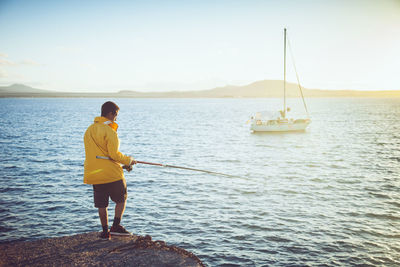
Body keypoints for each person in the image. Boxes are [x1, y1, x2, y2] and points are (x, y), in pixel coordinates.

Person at [83, 101, 136, 240]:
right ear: (110, 113)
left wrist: (121, 162)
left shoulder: (89, 130)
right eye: (116, 115)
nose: (116, 118)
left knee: (102, 204)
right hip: (111, 174)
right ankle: (116, 227)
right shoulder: (110, 131)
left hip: (94, 173)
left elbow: (100, 154)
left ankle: (105, 232)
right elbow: (113, 154)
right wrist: (129, 161)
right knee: (122, 199)